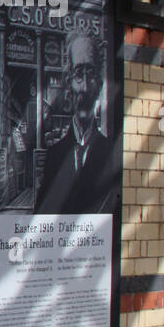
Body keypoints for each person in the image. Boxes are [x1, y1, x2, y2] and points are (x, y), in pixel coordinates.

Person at [34, 31, 115, 215]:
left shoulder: (111, 152)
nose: (85, 88)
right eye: (79, 74)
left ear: (100, 84)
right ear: (69, 82)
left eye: (90, 73)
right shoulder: (54, 155)